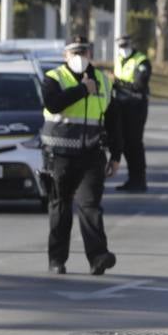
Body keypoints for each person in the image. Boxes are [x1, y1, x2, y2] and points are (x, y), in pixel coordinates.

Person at [39, 35, 122, 275]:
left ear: (90, 54)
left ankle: (98, 257)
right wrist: (82, 90)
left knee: (90, 206)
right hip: (60, 155)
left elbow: (114, 121)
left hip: (91, 155)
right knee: (60, 207)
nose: (79, 57)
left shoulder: (104, 82)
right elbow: (53, 104)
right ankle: (57, 260)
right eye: (74, 52)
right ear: (65, 55)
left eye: (83, 52)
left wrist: (116, 155)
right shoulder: (53, 78)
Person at [112, 34, 152, 192]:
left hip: (136, 107)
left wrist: (117, 83)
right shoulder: (119, 59)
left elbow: (139, 84)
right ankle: (132, 179)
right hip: (122, 106)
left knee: (135, 143)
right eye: (120, 46)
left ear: (131, 44)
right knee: (126, 144)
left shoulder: (141, 61)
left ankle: (140, 180)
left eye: (125, 45)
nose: (123, 49)